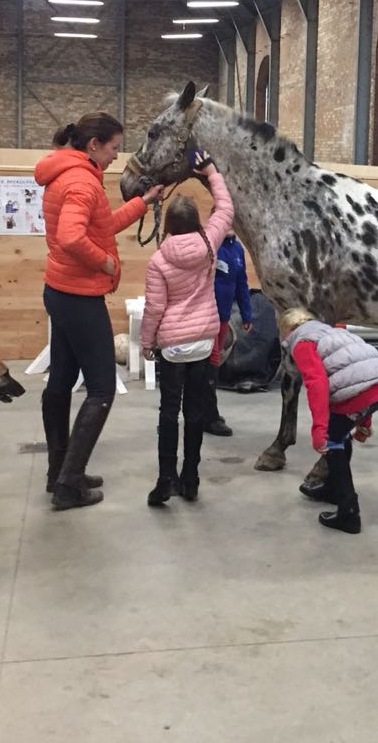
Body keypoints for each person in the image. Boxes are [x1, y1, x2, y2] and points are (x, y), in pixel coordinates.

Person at [35, 113, 162, 511]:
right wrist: (104, 264)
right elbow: (72, 236)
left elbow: (101, 225)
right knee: (103, 388)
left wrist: (144, 202)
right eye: (113, 148)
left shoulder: (67, 172)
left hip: (60, 290)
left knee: (61, 380)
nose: (115, 157)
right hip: (80, 295)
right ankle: (70, 482)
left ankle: (59, 471)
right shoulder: (80, 182)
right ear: (93, 145)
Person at [139, 151, 233, 507]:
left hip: (174, 347)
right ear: (196, 223)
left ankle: (165, 480)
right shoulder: (210, 244)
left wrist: (147, 343)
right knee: (195, 412)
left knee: (169, 412)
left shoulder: (159, 259)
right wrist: (209, 169)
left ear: (168, 225)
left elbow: (156, 308)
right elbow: (225, 207)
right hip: (203, 340)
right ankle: (191, 479)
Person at [278, 309, 378, 535]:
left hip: (358, 392)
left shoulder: (301, 342)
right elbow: (361, 372)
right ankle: (331, 487)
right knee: (340, 435)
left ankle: (348, 511)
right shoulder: (333, 333)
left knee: (332, 442)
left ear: (287, 331)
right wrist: (364, 423)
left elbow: (317, 384)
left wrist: (319, 430)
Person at [207, 232, 254, 436]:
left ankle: (206, 411)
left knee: (213, 365)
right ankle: (209, 415)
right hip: (207, 316)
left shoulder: (236, 249)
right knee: (209, 364)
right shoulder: (209, 246)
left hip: (223, 316)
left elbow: (241, 283)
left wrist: (246, 314)